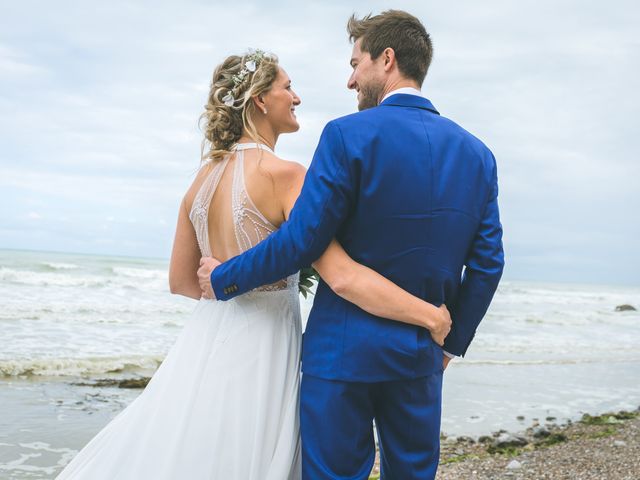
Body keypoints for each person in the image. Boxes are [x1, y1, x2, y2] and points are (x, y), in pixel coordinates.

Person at [56, 48, 450, 480]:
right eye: (287, 87)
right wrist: (429, 317)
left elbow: (182, 282)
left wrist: (230, 286)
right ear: (260, 100)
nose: (296, 98)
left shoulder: (200, 180)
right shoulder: (287, 175)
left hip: (208, 341)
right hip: (268, 345)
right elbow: (341, 274)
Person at [198, 10, 505, 480]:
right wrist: (452, 341)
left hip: (341, 357)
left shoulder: (347, 135)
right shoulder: (478, 156)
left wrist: (223, 277)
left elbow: (302, 239)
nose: (350, 80)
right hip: (421, 354)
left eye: (355, 64)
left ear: (387, 59)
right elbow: (487, 266)